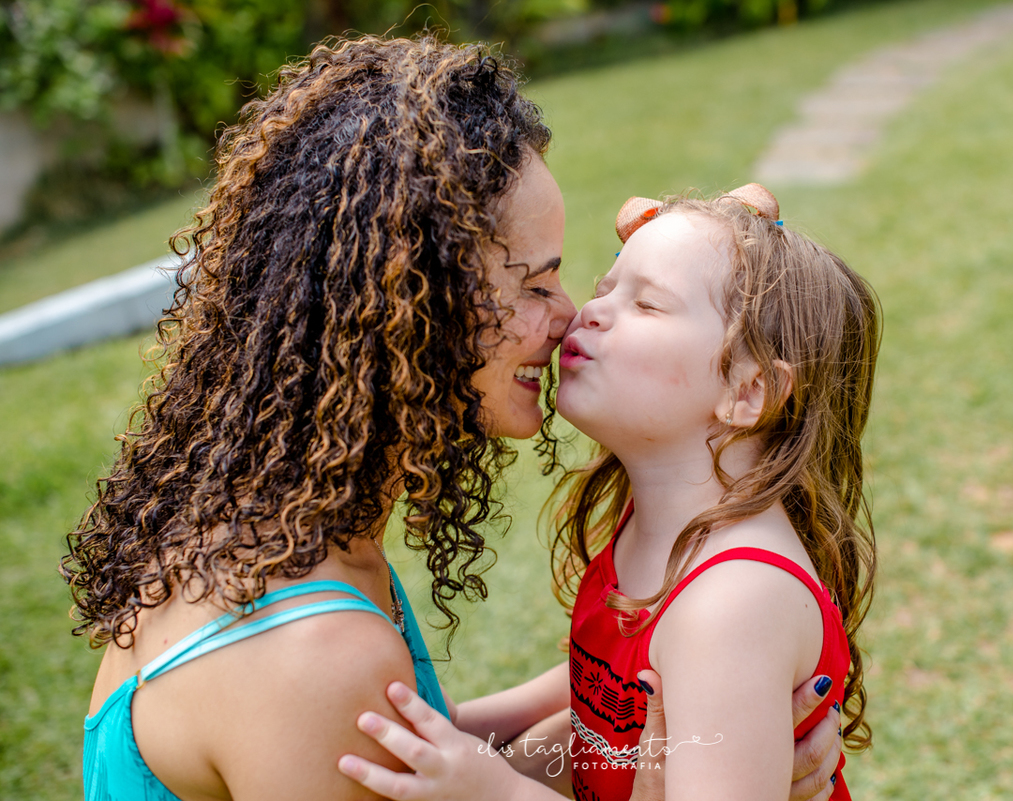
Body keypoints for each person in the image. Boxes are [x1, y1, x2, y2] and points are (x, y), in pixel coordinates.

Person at [62, 33, 841, 801]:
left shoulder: (268, 522)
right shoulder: (314, 661)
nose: (570, 315)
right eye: (536, 285)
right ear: (408, 309)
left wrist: (727, 742)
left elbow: (518, 731)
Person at [337, 184, 878, 801]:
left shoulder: (735, 600)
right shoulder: (664, 527)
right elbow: (605, 695)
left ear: (748, 390)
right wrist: (461, 732)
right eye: (604, 291)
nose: (582, 314)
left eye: (646, 305)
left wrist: (495, 790)